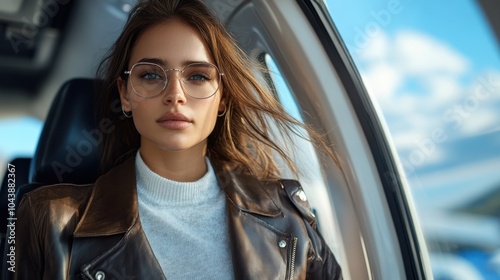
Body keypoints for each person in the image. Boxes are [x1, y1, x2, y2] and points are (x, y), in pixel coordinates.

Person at [15, 0, 343, 279]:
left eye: (197, 76)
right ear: (125, 95)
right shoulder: (46, 218)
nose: (175, 95)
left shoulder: (287, 215)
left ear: (223, 97)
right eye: (151, 75)